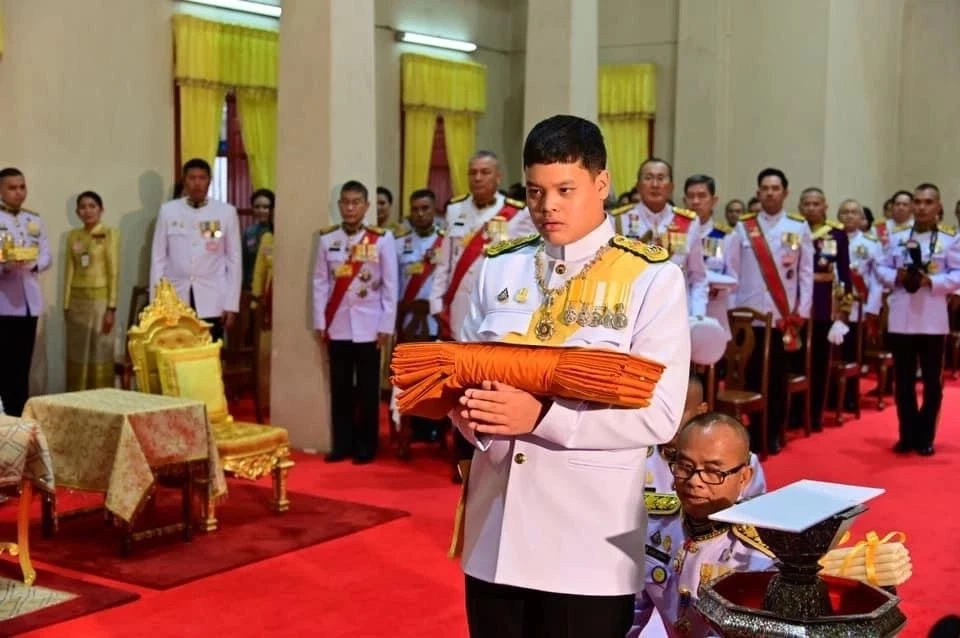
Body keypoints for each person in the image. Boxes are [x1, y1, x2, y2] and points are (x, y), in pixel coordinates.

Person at [454, 115, 691, 638]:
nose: (548, 206)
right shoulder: (501, 267)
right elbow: (466, 369)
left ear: (601, 183)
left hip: (585, 540)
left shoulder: (651, 279)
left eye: (565, 189)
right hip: (495, 529)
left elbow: (661, 414)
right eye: (536, 191)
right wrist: (468, 413)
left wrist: (541, 417)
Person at [630, 412, 775, 638]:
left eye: (713, 472)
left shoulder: (763, 550)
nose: (694, 481)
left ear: (744, 478)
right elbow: (631, 614)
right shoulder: (655, 526)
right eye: (685, 466)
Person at [726, 168, 813, 455]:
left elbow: (806, 274)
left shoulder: (798, 227)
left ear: (785, 193)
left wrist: (802, 311)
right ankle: (752, 432)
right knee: (749, 378)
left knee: (777, 380)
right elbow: (732, 271)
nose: (770, 193)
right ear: (758, 191)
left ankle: (774, 432)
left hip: (781, 317)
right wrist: (731, 312)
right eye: (765, 188)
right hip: (748, 317)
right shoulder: (744, 227)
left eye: (776, 188)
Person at [313, 180, 398, 465]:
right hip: (337, 323)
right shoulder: (328, 239)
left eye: (355, 203)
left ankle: (367, 445)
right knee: (340, 387)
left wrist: (386, 326)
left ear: (366, 206)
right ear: (339, 206)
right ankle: (342, 444)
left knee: (366, 389)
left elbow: (390, 285)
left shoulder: (381, 239)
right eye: (345, 203)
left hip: (369, 325)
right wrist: (319, 320)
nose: (350, 208)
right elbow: (320, 283)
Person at [876, 183, 960, 456]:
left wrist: (931, 280)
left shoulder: (950, 238)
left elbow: (957, 275)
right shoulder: (898, 235)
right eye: (918, 202)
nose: (922, 207)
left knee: (933, 383)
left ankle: (925, 436)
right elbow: (880, 266)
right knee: (903, 381)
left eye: (928, 202)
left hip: (933, 319)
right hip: (902, 317)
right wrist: (894, 277)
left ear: (938, 207)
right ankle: (906, 434)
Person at [149, 158, 241, 344]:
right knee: (176, 352)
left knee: (208, 353)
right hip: (175, 298)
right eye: (192, 178)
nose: (197, 183)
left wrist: (231, 304)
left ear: (209, 181)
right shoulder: (168, 211)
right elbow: (158, 258)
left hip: (213, 296)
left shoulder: (225, 212)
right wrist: (155, 302)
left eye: (202, 178)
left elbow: (234, 260)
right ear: (184, 181)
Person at [646, 376, 766, 500]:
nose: (666, 420)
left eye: (678, 411)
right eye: (659, 409)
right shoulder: (637, 457)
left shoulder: (737, 462)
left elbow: (756, 513)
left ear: (701, 411)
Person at [0, 168, 52, 416]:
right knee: (4, 365)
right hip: (3, 303)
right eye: (12, 187)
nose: (19, 192)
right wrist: (5, 266)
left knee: (22, 366)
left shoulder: (34, 219)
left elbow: (46, 254)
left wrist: (33, 264)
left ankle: (20, 416)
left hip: (29, 303)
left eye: (22, 187)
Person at [63, 191, 119, 390]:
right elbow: (69, 271)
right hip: (77, 304)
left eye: (92, 206)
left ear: (101, 210)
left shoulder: (109, 234)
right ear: (77, 212)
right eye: (83, 207)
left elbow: (114, 272)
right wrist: (66, 305)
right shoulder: (73, 236)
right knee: (77, 354)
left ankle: (101, 401)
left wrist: (111, 308)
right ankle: (75, 400)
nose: (87, 211)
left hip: (100, 304)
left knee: (100, 352)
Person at [243, 188, 275, 290]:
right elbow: (244, 262)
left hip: (272, 287)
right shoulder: (249, 232)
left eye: (266, 207)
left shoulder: (278, 232)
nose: (261, 210)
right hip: (252, 286)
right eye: (257, 207)